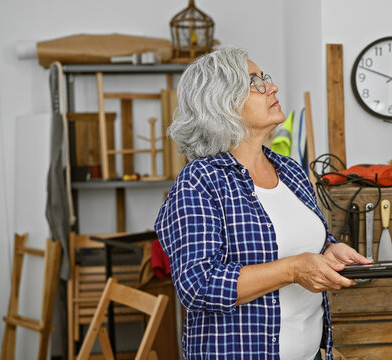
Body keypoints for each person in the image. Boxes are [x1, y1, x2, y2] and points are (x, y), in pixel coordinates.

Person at [154, 46, 370, 360]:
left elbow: (296, 240)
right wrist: (293, 270)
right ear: (222, 104)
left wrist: (329, 250)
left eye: (264, 78)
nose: (272, 87)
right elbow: (197, 285)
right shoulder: (200, 180)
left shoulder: (290, 170)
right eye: (254, 82)